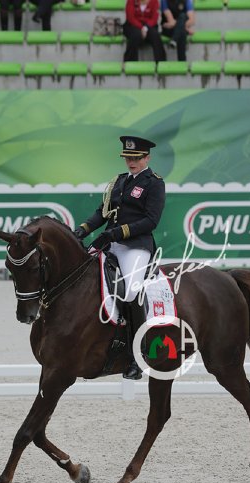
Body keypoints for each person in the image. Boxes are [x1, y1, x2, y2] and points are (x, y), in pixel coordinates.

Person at [74, 136, 166, 380]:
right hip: (110, 243)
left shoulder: (154, 183)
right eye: (128, 158)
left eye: (136, 158)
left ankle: (138, 354)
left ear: (147, 157)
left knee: (131, 292)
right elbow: (102, 213)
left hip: (135, 246)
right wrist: (81, 230)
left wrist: (117, 233)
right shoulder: (120, 181)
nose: (131, 162)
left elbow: (151, 221)